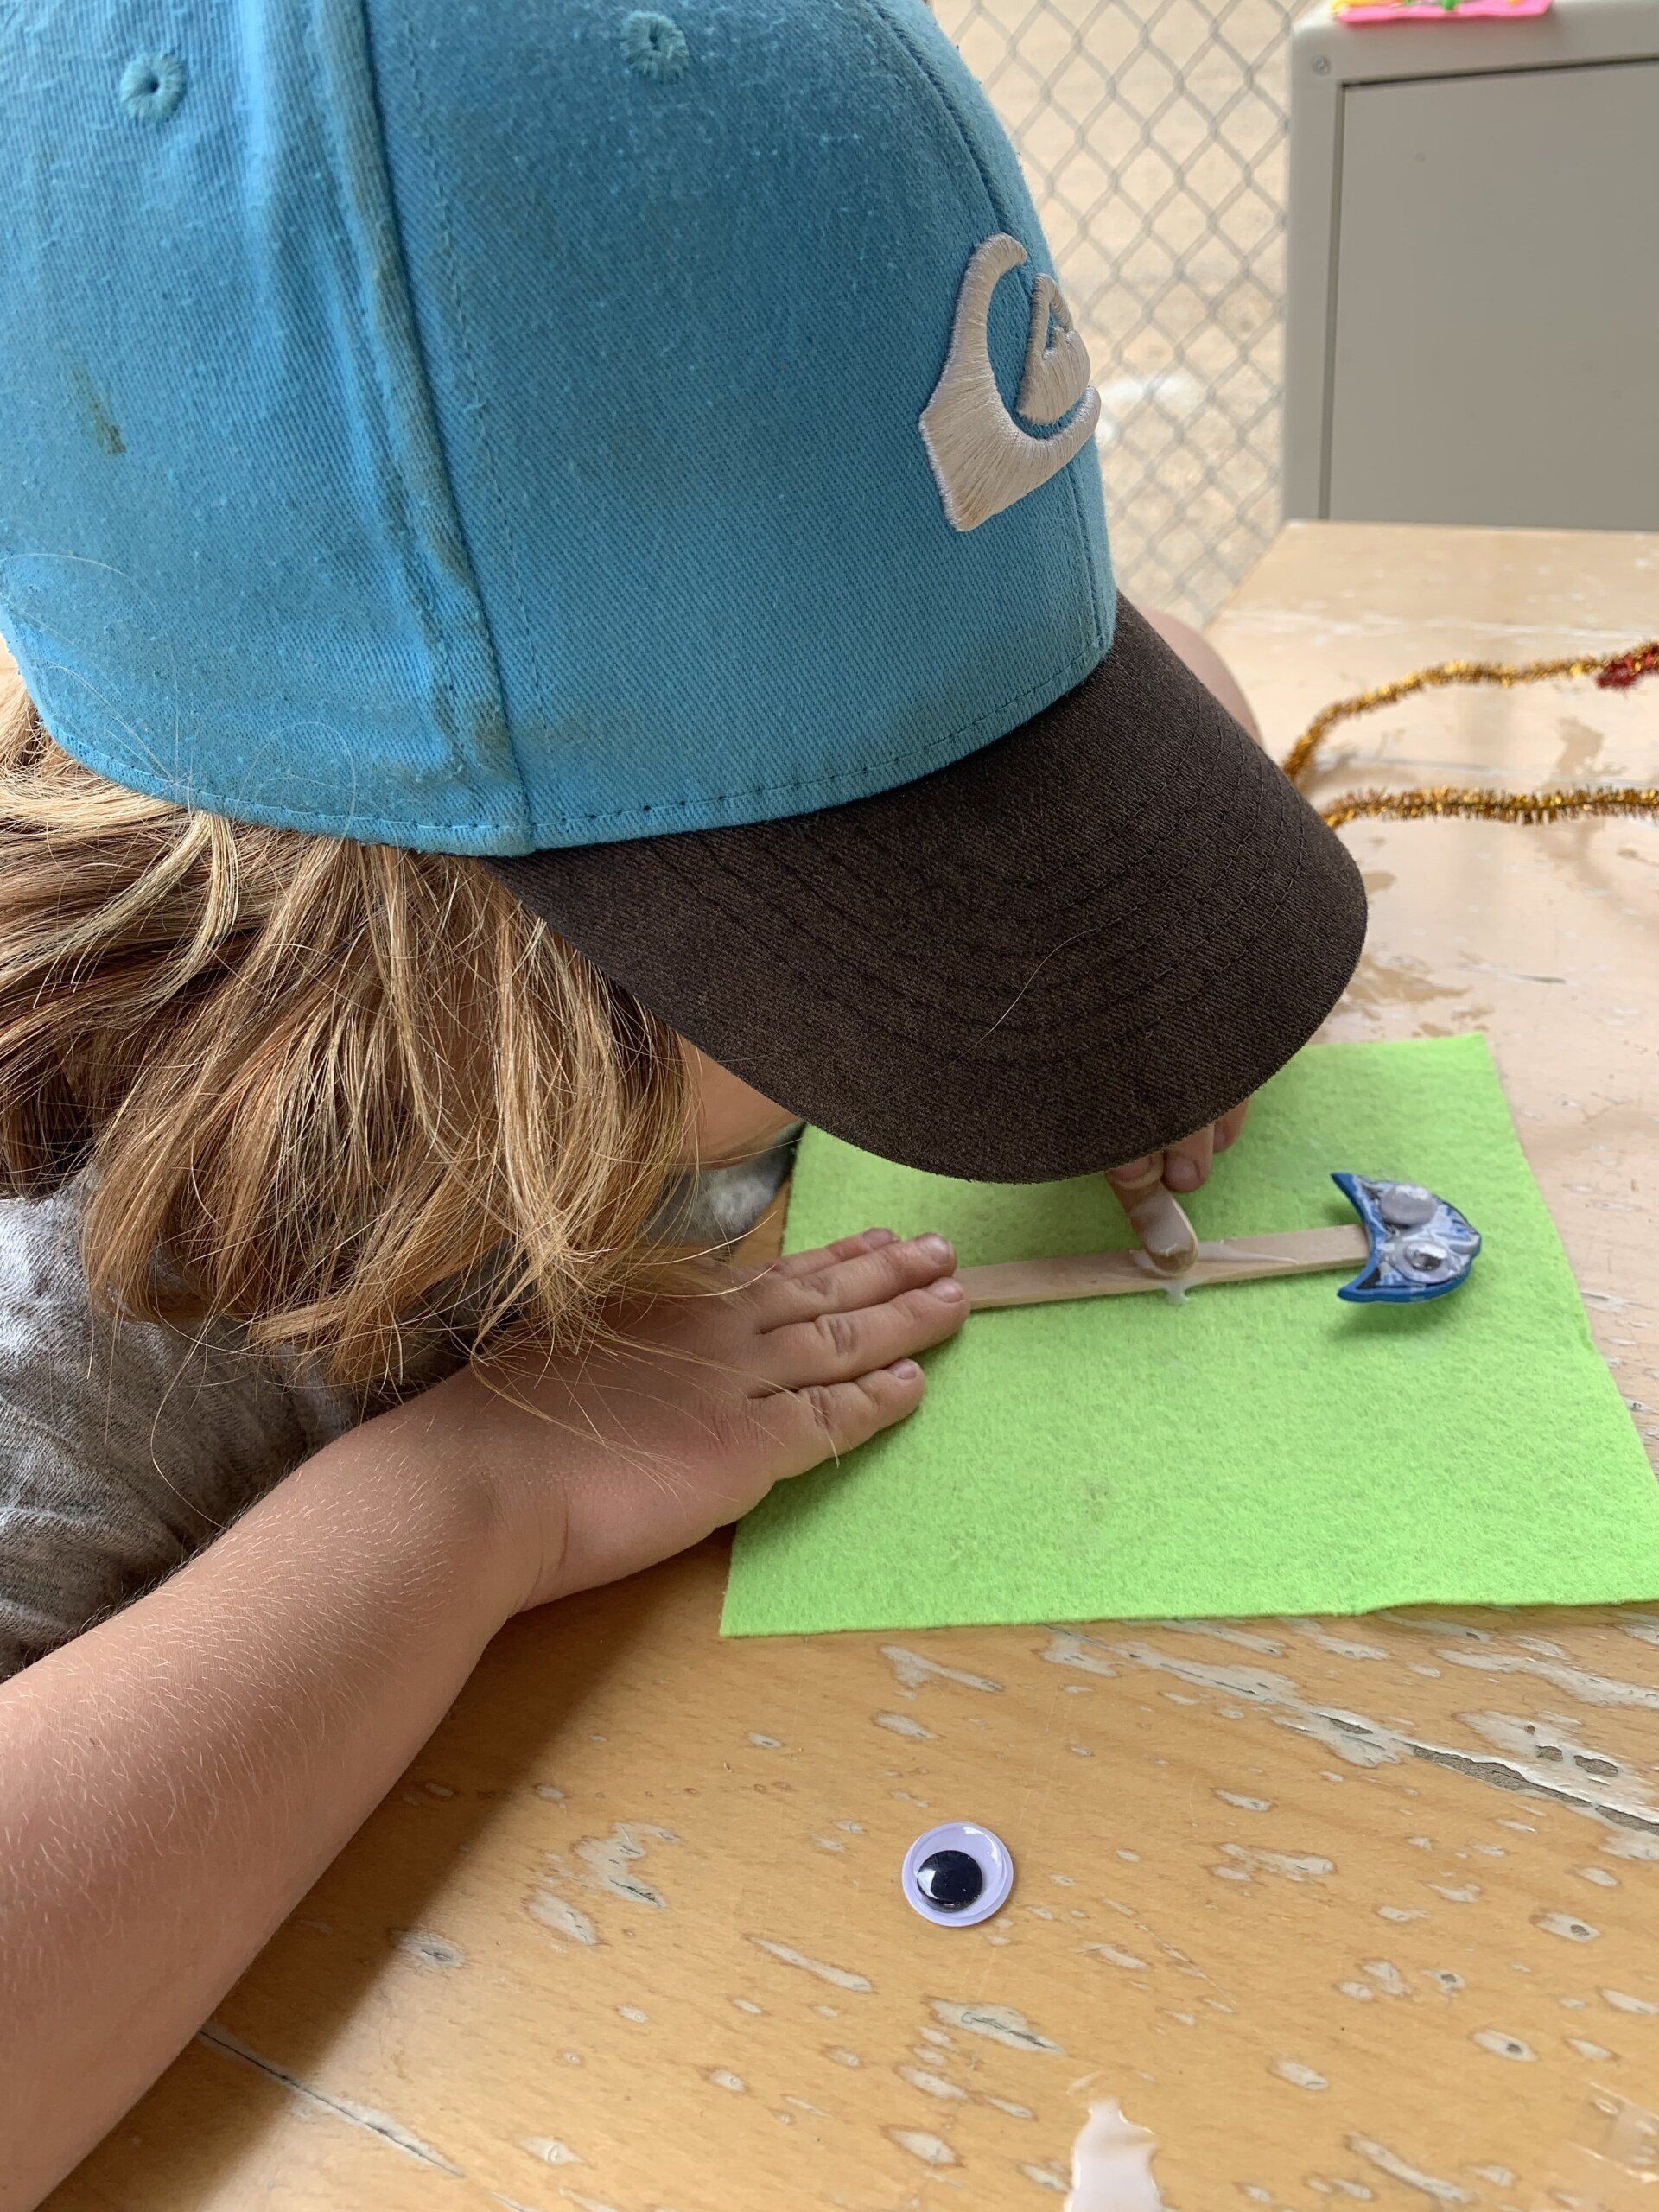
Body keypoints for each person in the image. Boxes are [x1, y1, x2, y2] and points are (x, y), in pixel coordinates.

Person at [0, 0, 1365, 2196]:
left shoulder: (581, 944)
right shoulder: (104, 1286)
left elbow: (1169, 645)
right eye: (854, 875)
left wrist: (1092, 978)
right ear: (462, 952)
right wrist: (472, 1499)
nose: (974, 924)